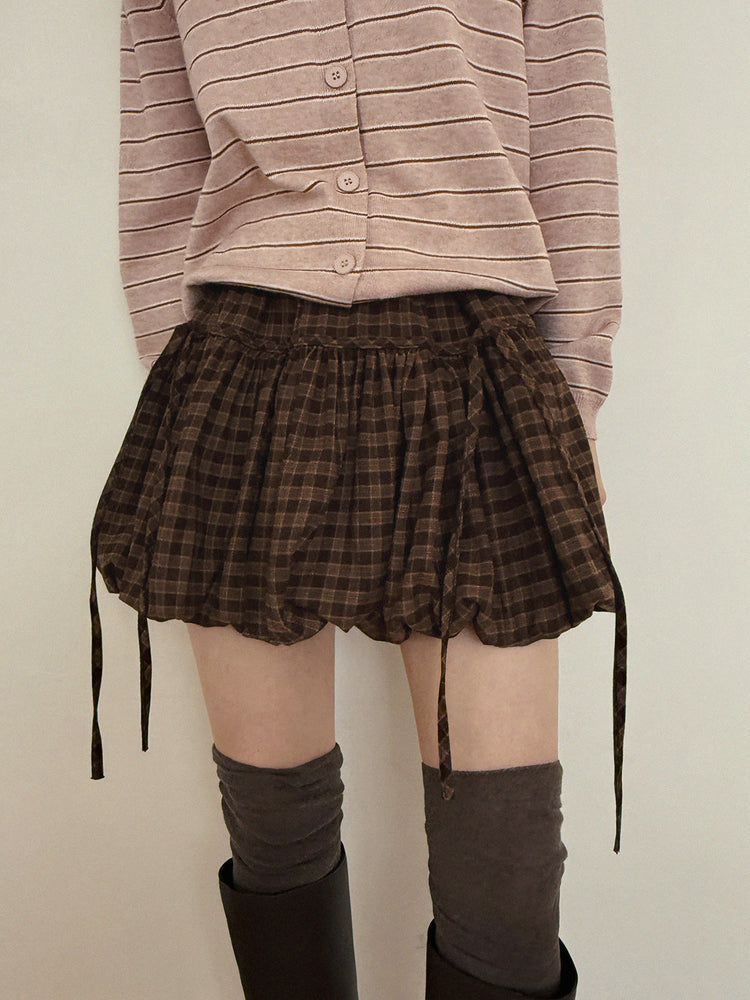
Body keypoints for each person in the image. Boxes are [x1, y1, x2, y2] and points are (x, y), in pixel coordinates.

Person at [88, 1, 627, 997]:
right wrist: (178, 397)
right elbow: (163, 168)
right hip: (242, 374)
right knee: (274, 826)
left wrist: (573, 390)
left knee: (504, 863)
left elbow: (569, 127)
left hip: (477, 371)